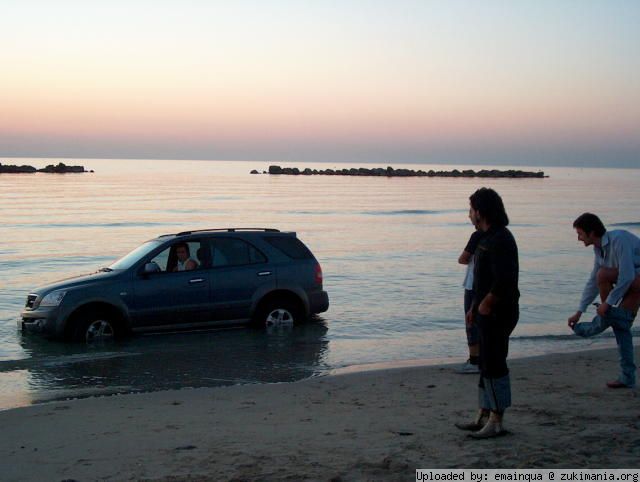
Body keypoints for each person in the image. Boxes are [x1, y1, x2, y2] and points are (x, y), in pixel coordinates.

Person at [455, 188, 519, 439]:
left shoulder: (501, 239)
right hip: (482, 310)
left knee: (494, 363)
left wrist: (487, 303)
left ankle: (496, 419)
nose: (469, 215)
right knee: (483, 363)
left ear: (480, 212)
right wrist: (473, 308)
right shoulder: (483, 237)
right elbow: (479, 280)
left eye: (471, 210)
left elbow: (506, 279)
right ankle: (483, 414)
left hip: (499, 312)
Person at [567, 213, 639, 389]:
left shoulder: (619, 240)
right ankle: (627, 377)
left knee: (606, 276)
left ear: (592, 233)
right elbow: (593, 282)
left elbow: (627, 275)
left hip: (636, 280)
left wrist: (607, 303)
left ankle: (604, 319)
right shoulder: (598, 249)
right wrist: (579, 310)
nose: (578, 238)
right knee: (621, 326)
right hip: (631, 280)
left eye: (580, 234)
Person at [456, 222, 483, 374]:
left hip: (473, 284)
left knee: (471, 321)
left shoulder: (477, 236)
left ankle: (474, 360)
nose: (469, 215)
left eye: (471, 211)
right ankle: (480, 358)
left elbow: (462, 258)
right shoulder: (497, 235)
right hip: (486, 284)